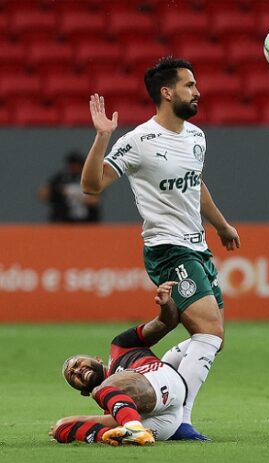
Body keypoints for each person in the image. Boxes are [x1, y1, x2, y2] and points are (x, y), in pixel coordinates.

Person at [80, 56, 240, 441]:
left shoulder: (197, 137)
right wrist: (102, 137)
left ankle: (154, 373)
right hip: (168, 249)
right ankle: (179, 420)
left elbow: (195, 184)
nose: (197, 91)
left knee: (213, 340)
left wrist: (220, 225)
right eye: (189, 85)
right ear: (167, 93)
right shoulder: (139, 141)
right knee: (210, 332)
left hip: (197, 247)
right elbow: (92, 186)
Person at [50, 281, 187, 446]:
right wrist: (62, 426)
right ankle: (118, 435)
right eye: (73, 376)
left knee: (103, 390)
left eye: (77, 363)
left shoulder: (121, 346)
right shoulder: (112, 405)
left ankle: (132, 429)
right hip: (163, 423)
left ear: (98, 359)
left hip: (164, 381)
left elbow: (166, 323)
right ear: (82, 392)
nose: (77, 371)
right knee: (61, 428)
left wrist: (167, 304)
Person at [37, 151, 101, 223]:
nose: (74, 167)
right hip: (64, 221)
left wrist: (74, 195)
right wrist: (57, 192)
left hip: (87, 222)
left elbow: (95, 200)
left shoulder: (89, 178)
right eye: (71, 164)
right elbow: (42, 193)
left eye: (76, 164)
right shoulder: (61, 178)